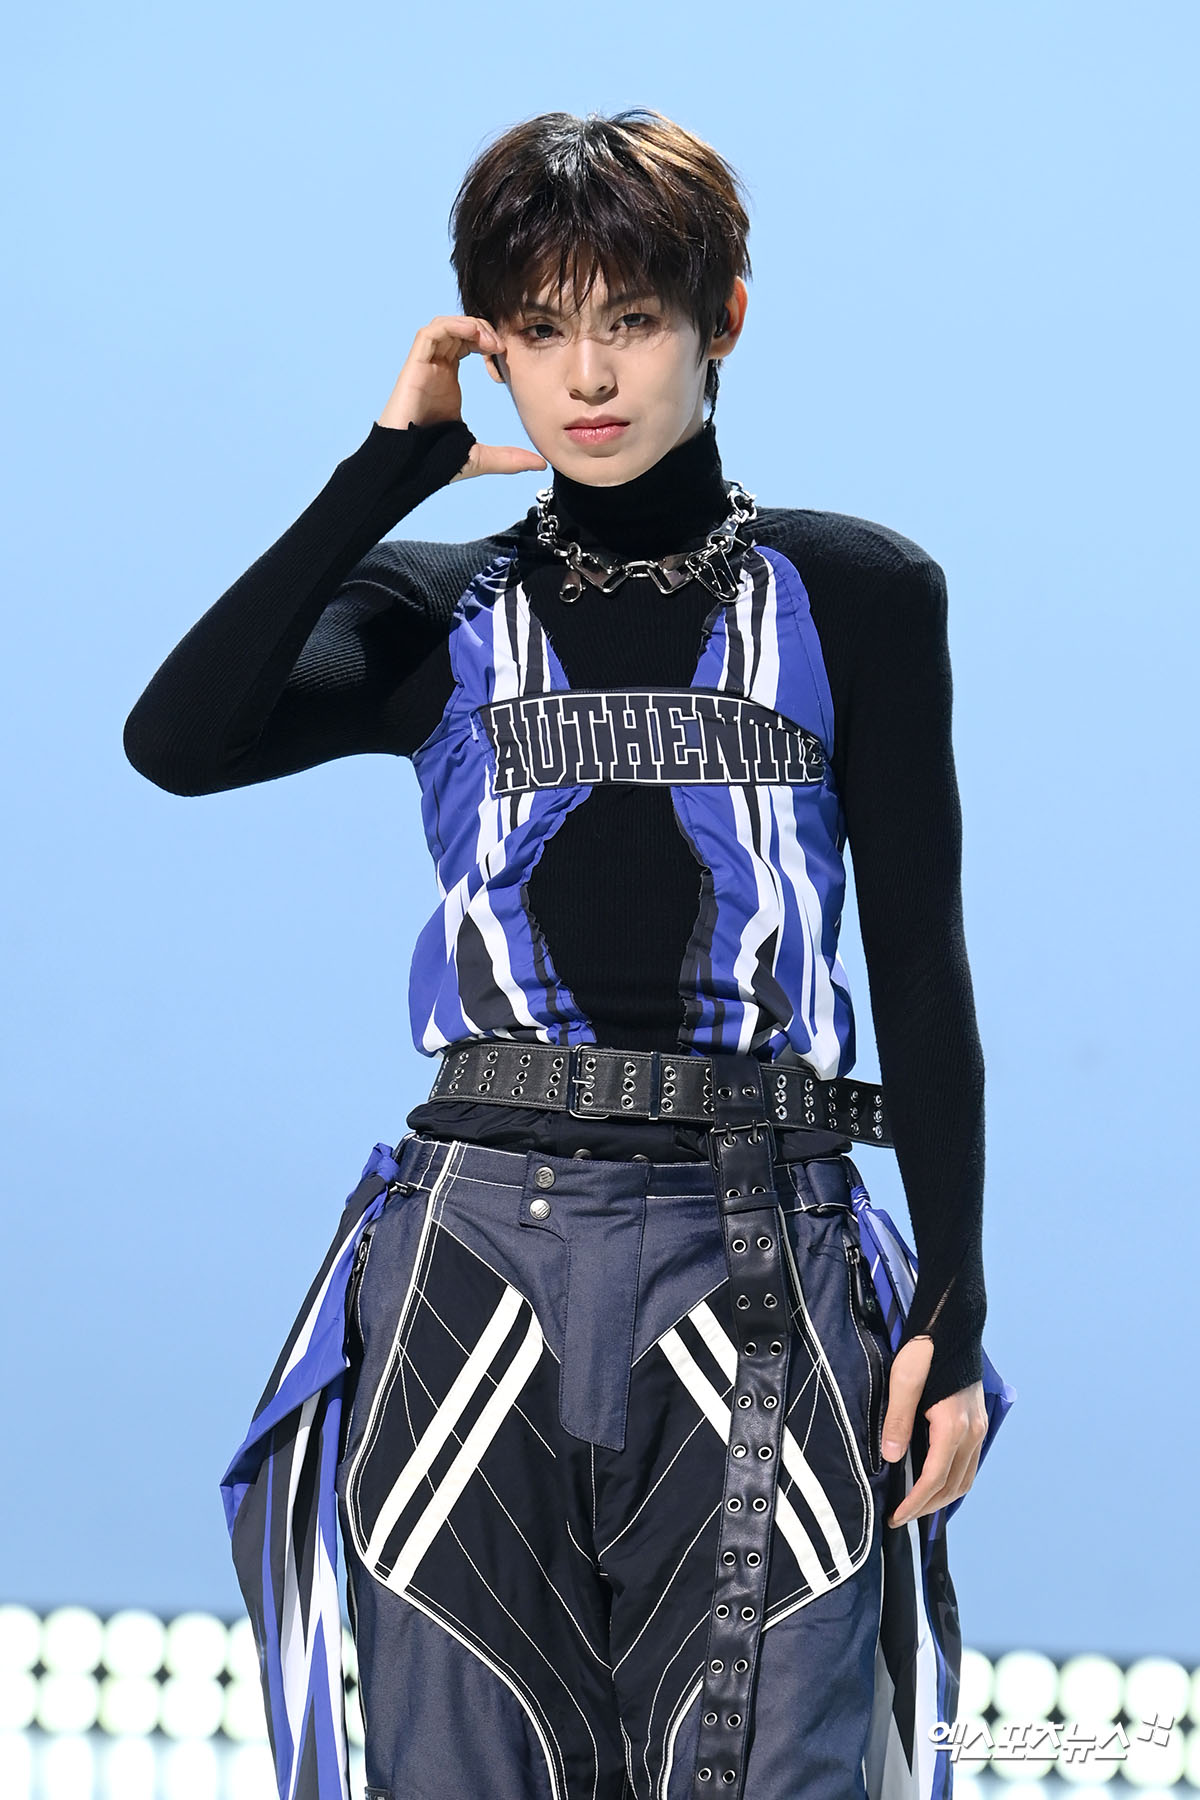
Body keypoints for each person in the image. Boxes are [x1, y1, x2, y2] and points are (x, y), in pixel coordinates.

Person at [125, 107, 1013, 1800]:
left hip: (764, 1258)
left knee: (784, 1769)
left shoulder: (857, 594)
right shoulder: (435, 608)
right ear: (491, 349)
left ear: (723, 319)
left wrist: (951, 1312)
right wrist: (384, 471)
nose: (588, 375)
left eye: (632, 320)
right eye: (539, 330)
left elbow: (923, 957)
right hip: (474, 1268)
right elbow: (175, 741)